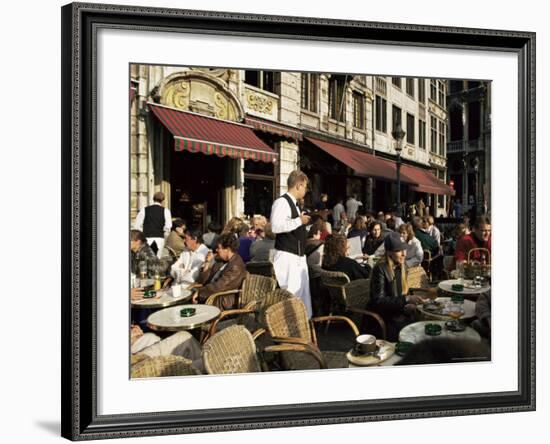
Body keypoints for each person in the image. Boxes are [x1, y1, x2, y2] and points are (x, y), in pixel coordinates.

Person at [270, 170, 313, 317]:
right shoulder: (281, 202)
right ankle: (290, 330)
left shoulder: (294, 204)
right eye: (305, 187)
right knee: (291, 296)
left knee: (301, 297)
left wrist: (301, 222)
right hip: (288, 257)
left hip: (297, 257)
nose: (305, 190)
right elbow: (275, 226)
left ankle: (301, 328)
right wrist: (299, 221)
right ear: (299, 185)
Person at [368, 232, 424, 341]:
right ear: (389, 252)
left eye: (405, 249)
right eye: (399, 250)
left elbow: (400, 295)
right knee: (414, 336)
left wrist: (408, 305)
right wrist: (406, 299)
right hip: (383, 319)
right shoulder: (380, 269)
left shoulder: (402, 266)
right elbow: (378, 301)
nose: (404, 254)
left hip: (398, 314)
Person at [192, 233, 247, 310]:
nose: (216, 250)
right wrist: (207, 263)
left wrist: (200, 292)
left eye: (218, 248)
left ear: (227, 249)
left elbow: (219, 286)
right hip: (210, 295)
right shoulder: (221, 262)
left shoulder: (236, 266)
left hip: (220, 301)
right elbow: (202, 280)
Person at [133, 191, 172, 257]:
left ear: (153, 199)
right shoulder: (166, 211)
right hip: (159, 238)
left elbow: (137, 226)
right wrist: (164, 237)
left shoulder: (144, 210)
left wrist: (143, 235)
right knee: (156, 259)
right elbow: (168, 227)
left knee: (145, 258)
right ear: (163, 200)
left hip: (147, 238)